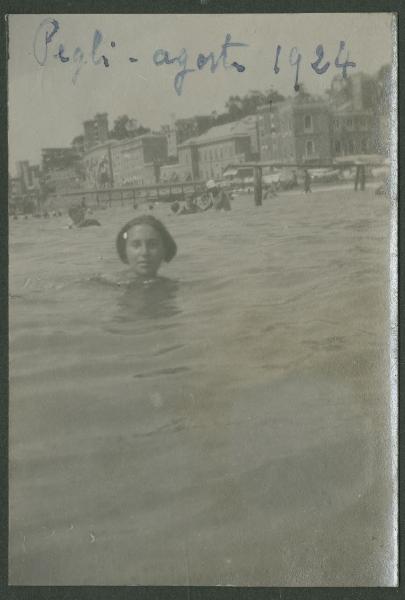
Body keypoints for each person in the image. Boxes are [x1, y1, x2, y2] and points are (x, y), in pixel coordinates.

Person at [116, 215, 177, 280]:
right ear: (124, 251)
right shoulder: (111, 286)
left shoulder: (173, 286)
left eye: (152, 244)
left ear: (165, 250)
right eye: (136, 245)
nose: (145, 252)